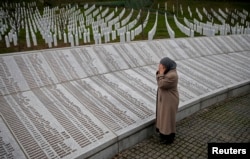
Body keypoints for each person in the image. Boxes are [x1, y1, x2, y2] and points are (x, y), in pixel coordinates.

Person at [155, 57, 179, 145]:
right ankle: (163, 135)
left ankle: (169, 138)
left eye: (161, 65)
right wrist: (160, 73)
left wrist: (161, 73)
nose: (159, 66)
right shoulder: (167, 72)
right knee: (163, 118)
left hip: (170, 101)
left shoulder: (172, 75)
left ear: (165, 66)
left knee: (168, 119)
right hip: (165, 100)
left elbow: (161, 84)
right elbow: (159, 80)